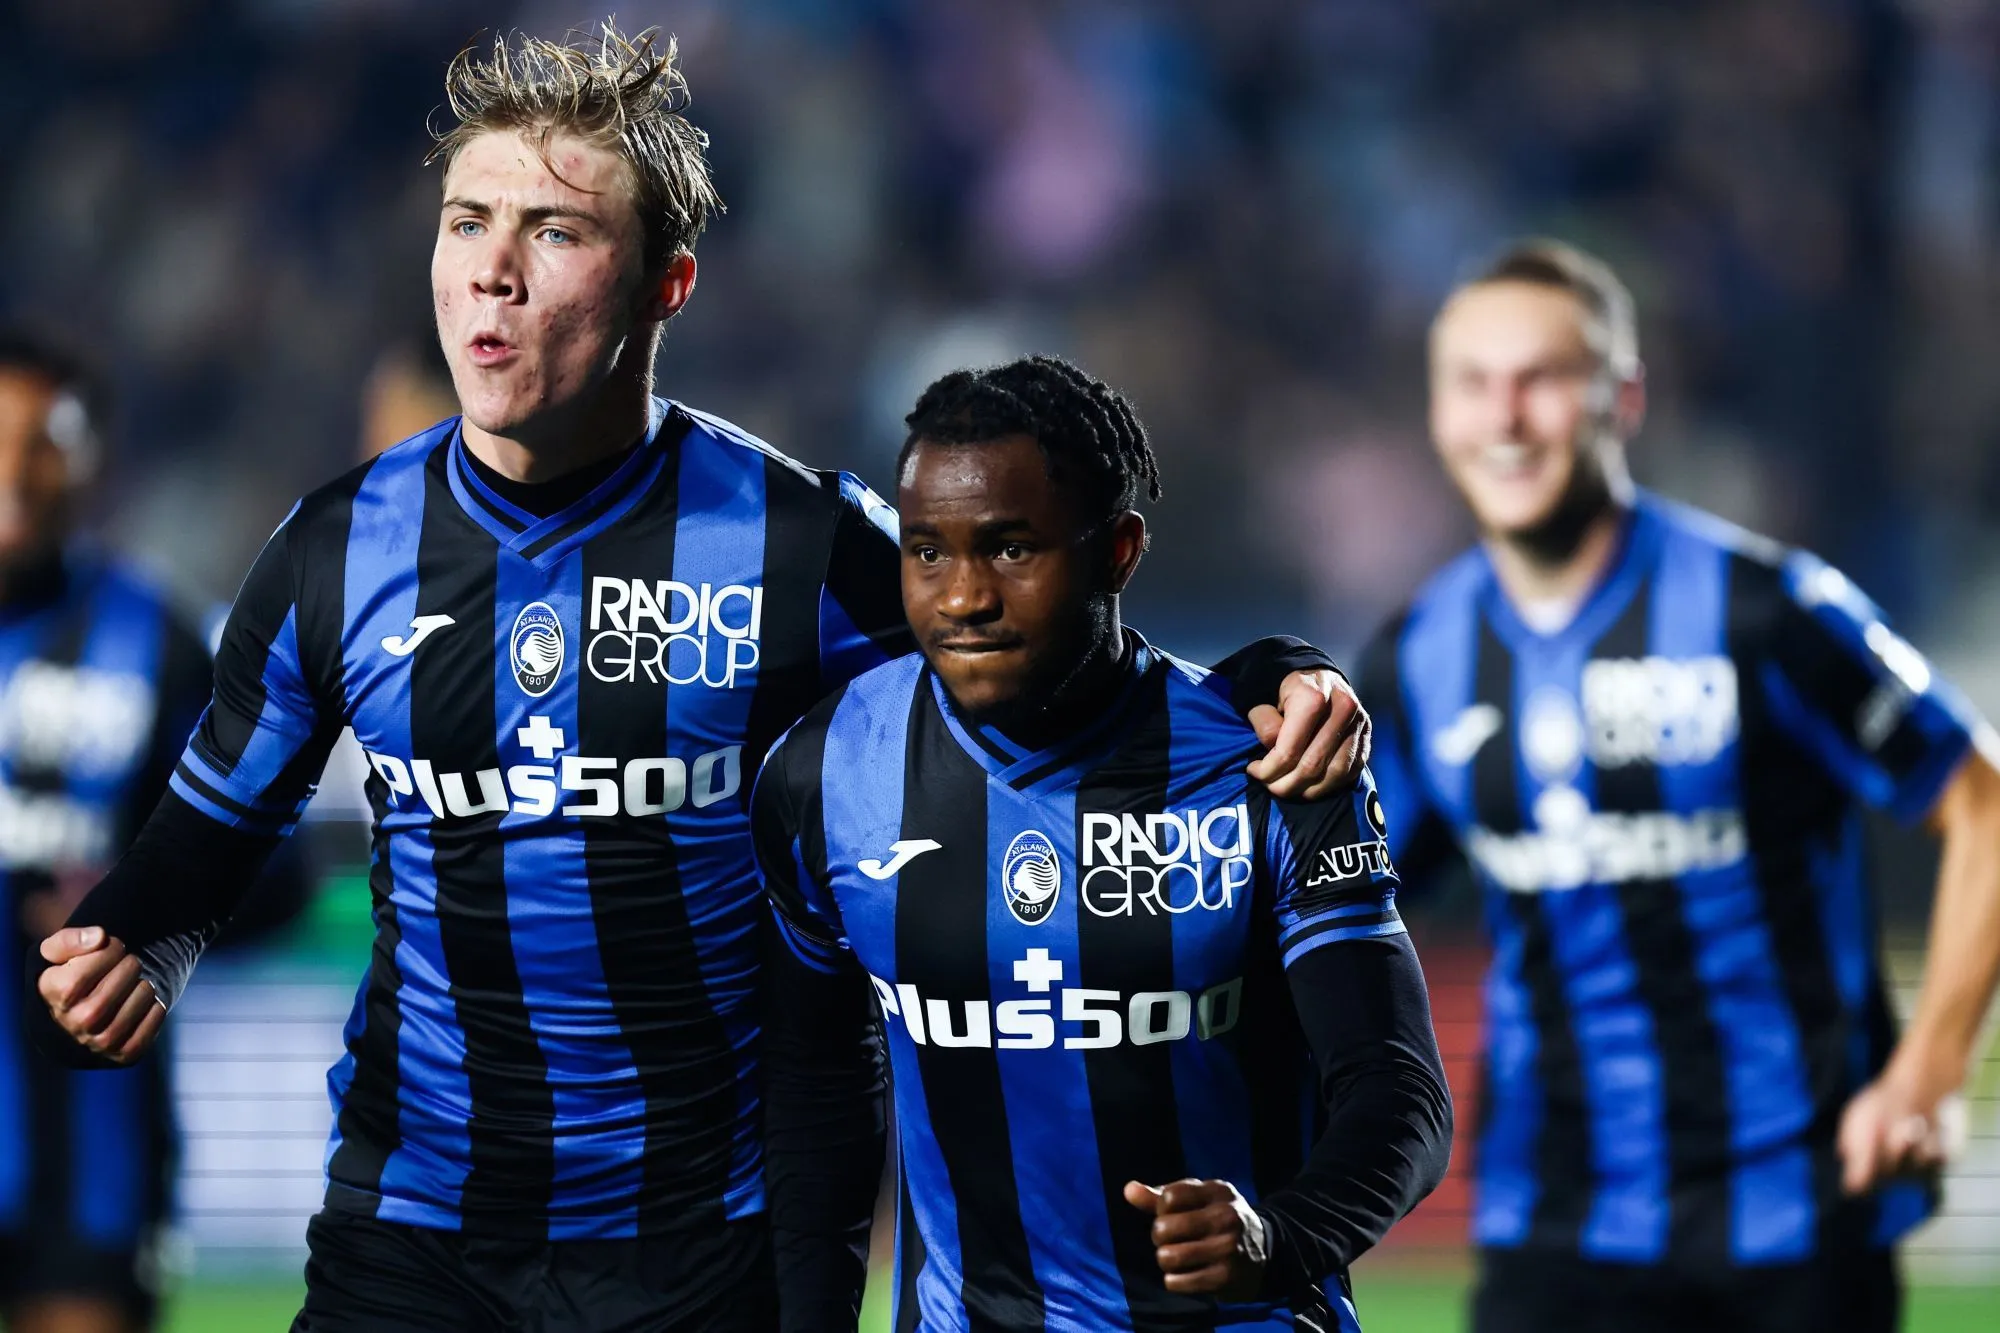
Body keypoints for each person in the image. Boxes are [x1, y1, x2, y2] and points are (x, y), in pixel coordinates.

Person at [30, 25, 1371, 1332]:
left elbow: (1061, 659)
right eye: (466, 222)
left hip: (700, 1246)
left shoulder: (803, 543)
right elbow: (214, 826)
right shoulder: (333, 550)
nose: (492, 271)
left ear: (665, 285)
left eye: (554, 232)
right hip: (413, 1227)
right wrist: (140, 939)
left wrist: (1270, 674)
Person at [1354, 238, 2000, 1333]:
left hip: (1796, 1218)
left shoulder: (1769, 612)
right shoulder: (1416, 656)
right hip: (1552, 1222)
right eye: (1473, 382)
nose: (1505, 416)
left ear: (1624, 397)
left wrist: (1930, 1073)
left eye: (1541, 378)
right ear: (1436, 411)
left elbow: (1980, 801)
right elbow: (1337, 901)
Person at [754, 356, 1453, 1332]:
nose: (963, 597)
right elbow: (817, 1093)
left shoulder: (1272, 763)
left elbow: (1397, 1091)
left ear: (1118, 551)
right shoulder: (824, 773)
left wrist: (1280, 1239)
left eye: (1011, 548)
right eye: (927, 552)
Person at [0, 329, 308, 1332]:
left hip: (92, 1165)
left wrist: (137, 914)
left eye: (45, 443)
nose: (15, 472)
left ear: (94, 463)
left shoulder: (156, 640)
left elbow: (274, 870)